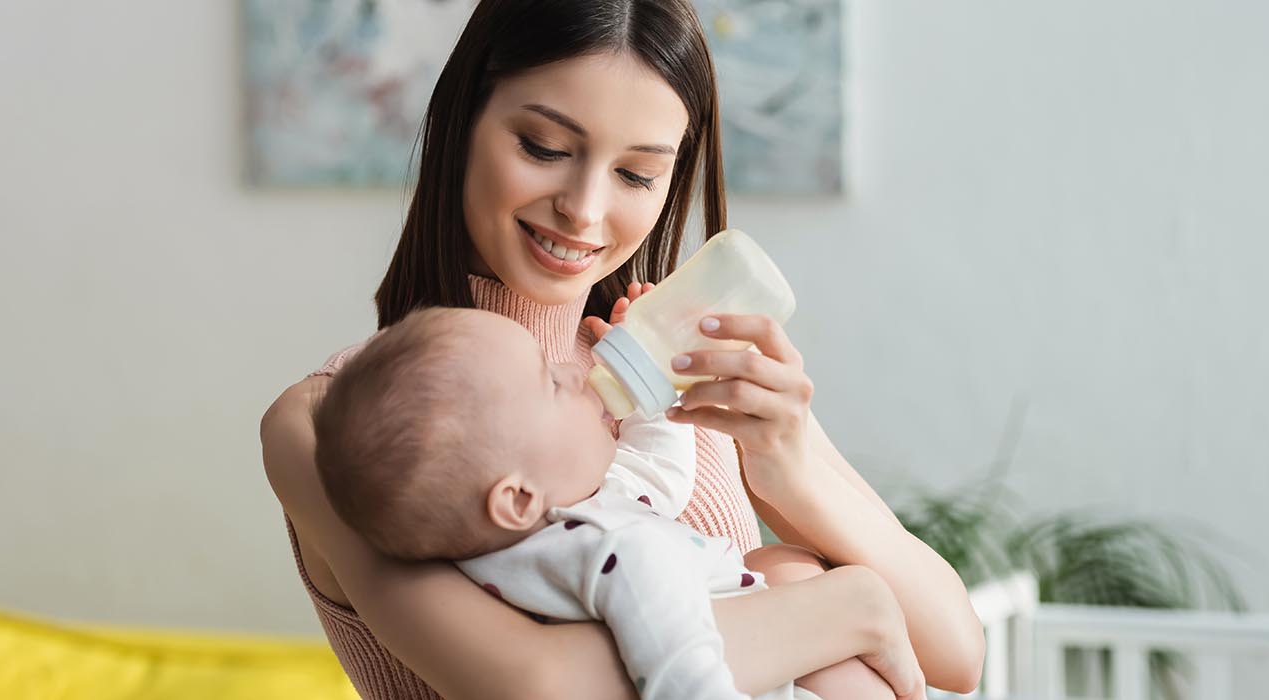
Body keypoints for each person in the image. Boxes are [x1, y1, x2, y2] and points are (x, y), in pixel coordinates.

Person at [258, 1, 985, 698]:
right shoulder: (340, 427)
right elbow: (541, 686)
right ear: (463, 119)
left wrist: (786, 467)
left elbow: (956, 651)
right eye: (544, 147)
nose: (585, 208)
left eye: (637, 173)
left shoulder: (686, 358)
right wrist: (843, 608)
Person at [313, 303, 877, 699]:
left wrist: (651, 385)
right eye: (551, 384)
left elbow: (657, 476)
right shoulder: (616, 549)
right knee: (793, 575)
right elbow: (682, 671)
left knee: (780, 565)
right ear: (515, 496)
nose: (569, 370)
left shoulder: (554, 534)